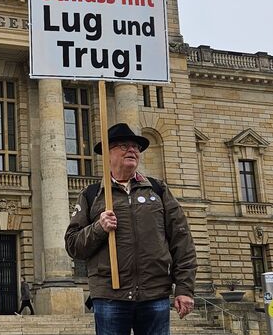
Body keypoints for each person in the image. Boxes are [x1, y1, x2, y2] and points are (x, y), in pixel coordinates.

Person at [65, 123, 198, 335]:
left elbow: (182, 241)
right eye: (124, 145)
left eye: (136, 147)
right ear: (108, 154)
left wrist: (184, 289)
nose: (132, 150)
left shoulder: (157, 189)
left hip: (154, 295)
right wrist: (99, 228)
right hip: (110, 296)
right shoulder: (91, 195)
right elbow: (73, 246)